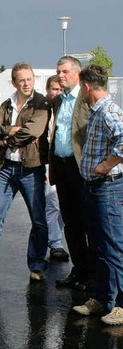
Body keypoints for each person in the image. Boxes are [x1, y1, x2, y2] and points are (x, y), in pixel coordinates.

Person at [0, 63, 50, 281]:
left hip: (30, 168)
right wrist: (8, 130)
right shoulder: (6, 104)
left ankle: (37, 265)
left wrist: (3, 140)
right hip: (5, 168)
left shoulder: (41, 103)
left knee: (38, 219)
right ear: (14, 82)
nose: (26, 83)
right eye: (22, 80)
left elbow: (33, 131)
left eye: (30, 79)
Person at [71, 65, 123, 324]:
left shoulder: (109, 111)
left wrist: (106, 164)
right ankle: (102, 299)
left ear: (87, 86)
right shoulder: (96, 112)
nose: (80, 91)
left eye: (81, 87)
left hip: (108, 188)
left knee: (114, 247)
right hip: (93, 188)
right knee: (100, 248)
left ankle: (121, 305)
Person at [49, 56, 93, 290]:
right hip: (62, 166)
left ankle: (93, 275)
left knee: (88, 222)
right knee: (71, 222)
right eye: (58, 71)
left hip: (81, 168)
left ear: (77, 73)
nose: (60, 75)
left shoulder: (86, 99)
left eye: (64, 71)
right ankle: (79, 270)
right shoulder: (59, 101)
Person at [44, 75, 70, 262]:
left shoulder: (66, 108)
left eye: (60, 89)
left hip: (62, 163)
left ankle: (53, 235)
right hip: (45, 162)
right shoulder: (42, 108)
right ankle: (55, 243)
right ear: (47, 90)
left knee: (64, 205)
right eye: (54, 89)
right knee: (52, 203)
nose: (57, 92)